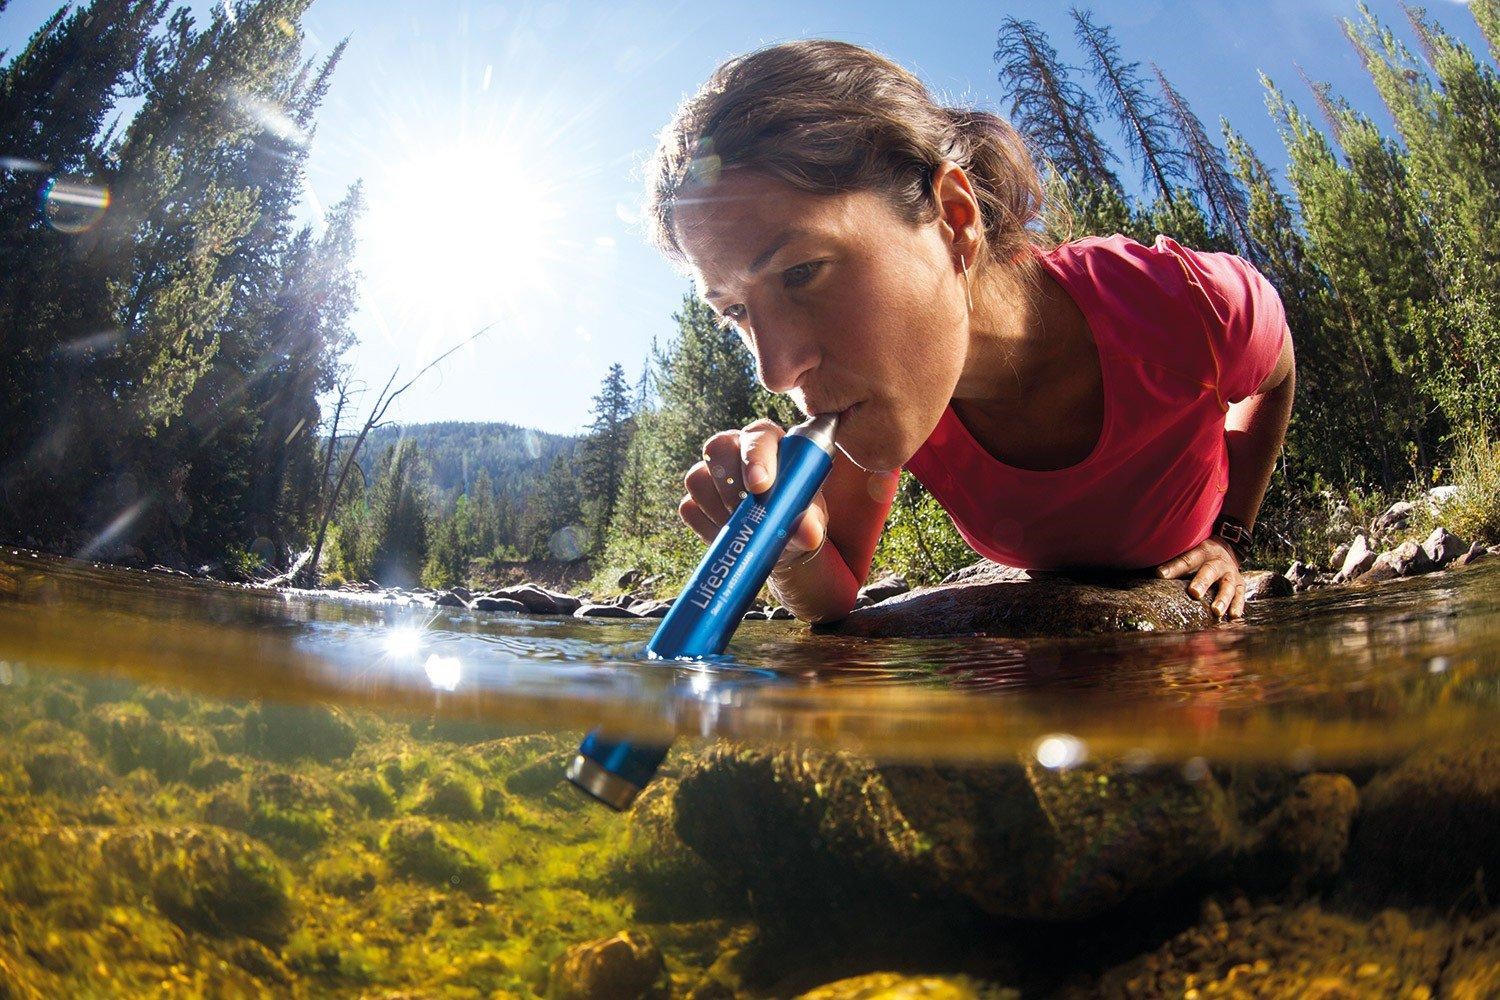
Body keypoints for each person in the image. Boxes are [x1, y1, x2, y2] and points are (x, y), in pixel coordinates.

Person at [645, 40, 1295, 626]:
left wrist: (1232, 536)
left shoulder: (1183, 305)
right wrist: (791, 550)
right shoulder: (886, 394)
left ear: (954, 219)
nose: (777, 371)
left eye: (802, 271)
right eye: (734, 311)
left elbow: (1278, 372)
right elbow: (835, 590)